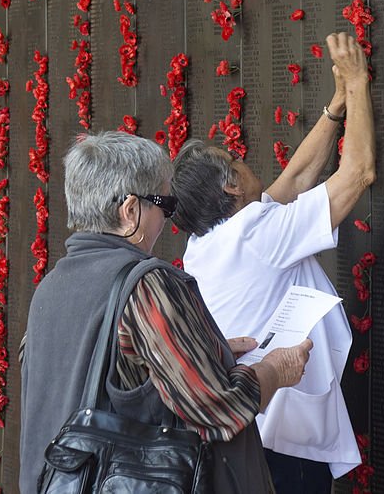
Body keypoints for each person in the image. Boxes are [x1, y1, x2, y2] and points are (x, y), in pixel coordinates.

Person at [20, 131, 311, 493]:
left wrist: (207, 352)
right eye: (165, 205)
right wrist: (274, 369)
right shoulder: (147, 286)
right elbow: (219, 410)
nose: (169, 218)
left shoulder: (51, 288)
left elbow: (104, 376)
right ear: (130, 212)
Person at [171, 31, 376, 492]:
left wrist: (336, 107)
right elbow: (358, 173)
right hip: (284, 447)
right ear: (230, 188)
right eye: (236, 160)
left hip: (251, 435)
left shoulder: (206, 246)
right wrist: (360, 82)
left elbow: (297, 179)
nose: (244, 161)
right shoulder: (255, 235)